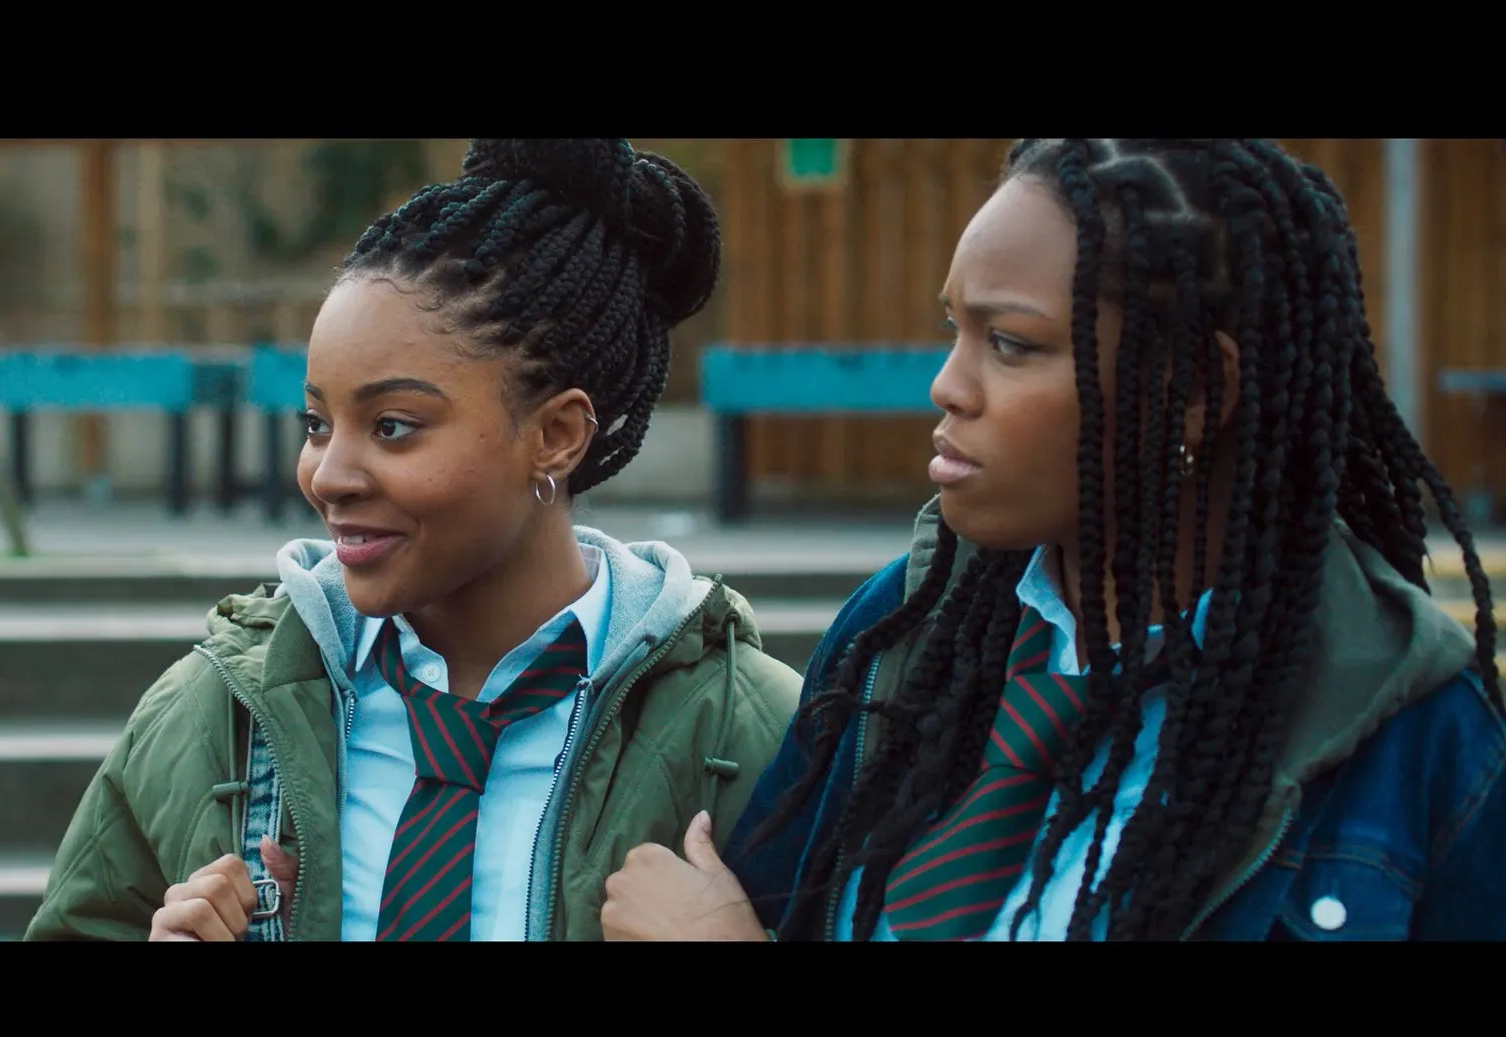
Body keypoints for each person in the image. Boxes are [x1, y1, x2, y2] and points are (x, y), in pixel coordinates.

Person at [599, 138, 1505, 942]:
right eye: (954, 329)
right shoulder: (900, 635)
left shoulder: (1421, 738)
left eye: (1010, 343)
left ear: (1194, 388)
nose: (948, 387)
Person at [24, 139, 803, 942]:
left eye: (393, 426)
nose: (327, 476)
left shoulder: (751, 735)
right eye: (317, 424)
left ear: (556, 436)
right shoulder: (212, 715)